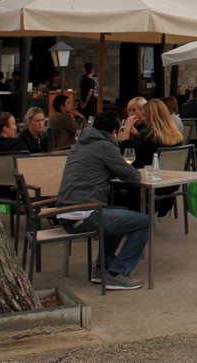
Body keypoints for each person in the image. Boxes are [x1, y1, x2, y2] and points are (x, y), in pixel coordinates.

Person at [56, 110, 148, 290]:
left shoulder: (80, 144)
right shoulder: (105, 146)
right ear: (114, 132)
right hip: (84, 214)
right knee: (146, 222)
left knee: (123, 212)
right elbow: (132, 176)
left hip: (65, 213)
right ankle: (117, 273)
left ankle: (102, 268)